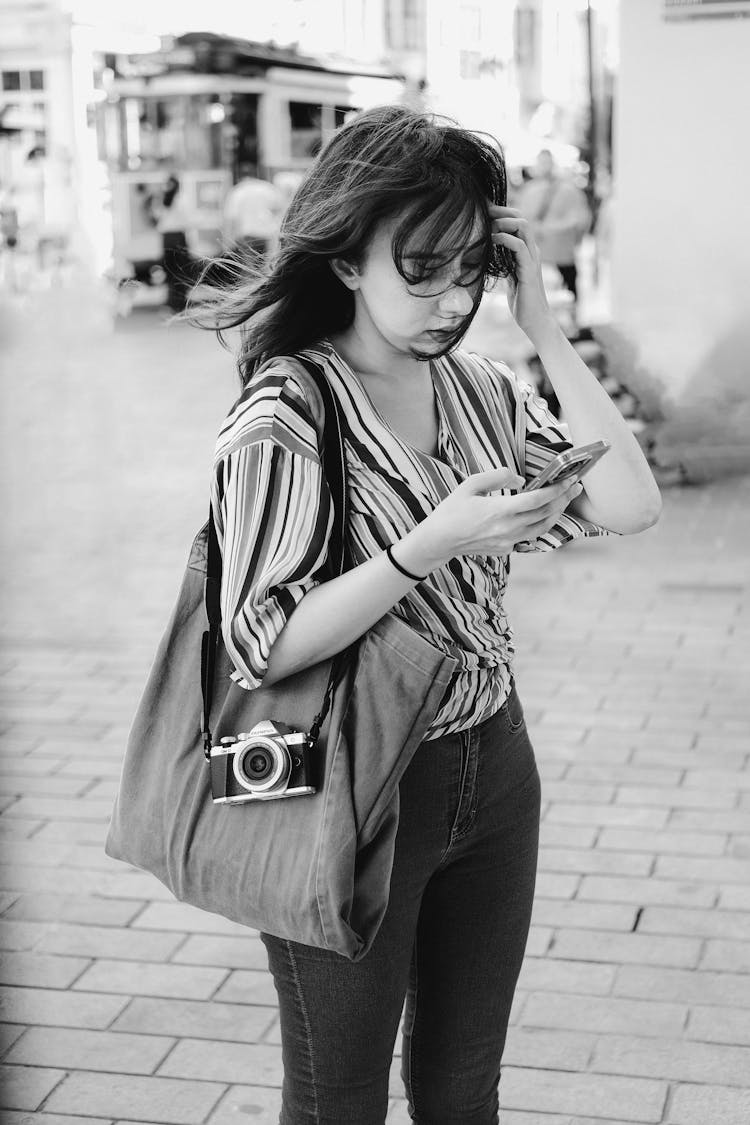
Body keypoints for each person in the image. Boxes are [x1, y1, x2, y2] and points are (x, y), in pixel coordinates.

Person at [196, 105, 661, 1124]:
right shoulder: (287, 410)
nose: (453, 297)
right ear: (348, 258)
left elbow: (631, 504)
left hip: (493, 769)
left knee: (463, 1091)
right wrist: (427, 545)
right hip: (346, 783)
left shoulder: (483, 387)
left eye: (472, 269)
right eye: (422, 269)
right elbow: (262, 641)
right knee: (338, 1100)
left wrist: (541, 323)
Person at [517, 148, 591, 327]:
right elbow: (582, 220)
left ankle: (551, 324)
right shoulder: (567, 189)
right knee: (567, 289)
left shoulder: (530, 190)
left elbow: (520, 219)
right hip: (559, 251)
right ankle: (571, 323)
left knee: (543, 290)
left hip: (544, 250)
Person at [221, 166, 286, 259]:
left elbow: (231, 218)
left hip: (248, 234)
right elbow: (280, 209)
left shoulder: (237, 191)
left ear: (240, 177)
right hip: (266, 233)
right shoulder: (267, 188)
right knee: (266, 264)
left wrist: (228, 243)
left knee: (251, 266)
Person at [155, 174, 196, 312]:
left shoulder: (163, 201)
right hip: (178, 238)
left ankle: (172, 302)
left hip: (167, 239)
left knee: (170, 270)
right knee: (180, 270)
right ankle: (180, 302)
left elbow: (157, 219)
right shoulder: (181, 199)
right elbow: (188, 221)